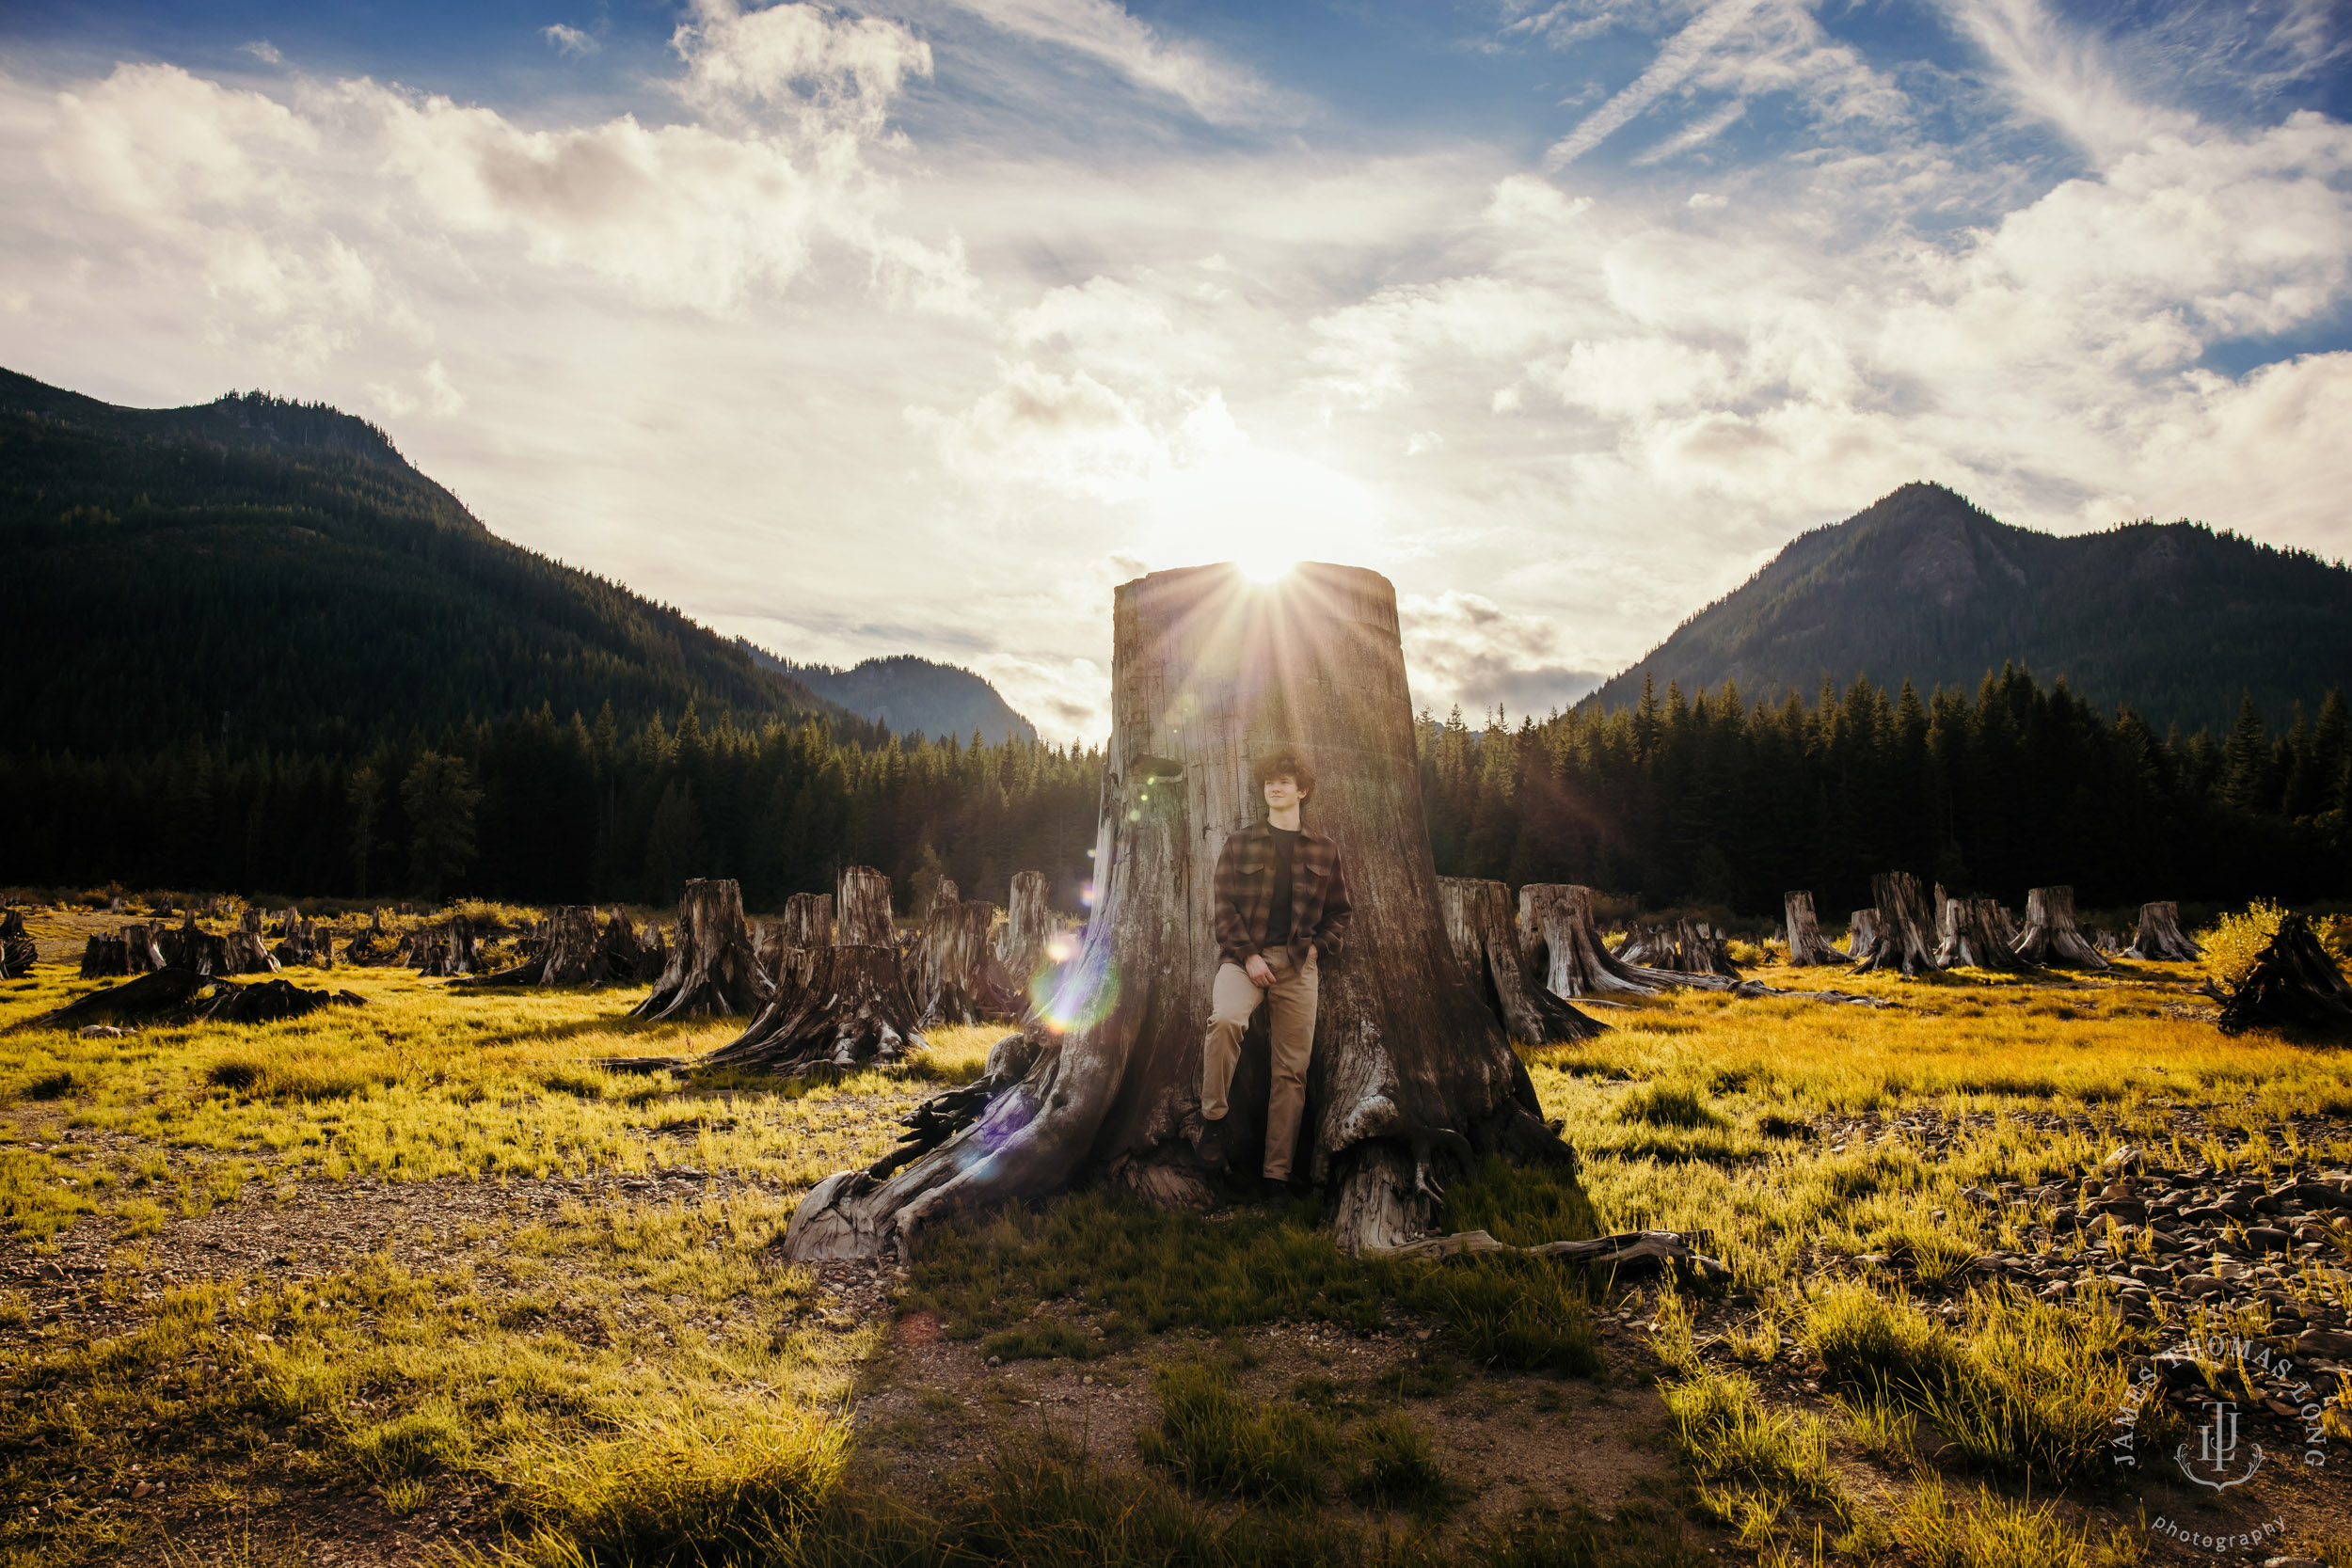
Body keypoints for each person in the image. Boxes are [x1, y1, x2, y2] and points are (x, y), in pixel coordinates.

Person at [1198, 746, 1352, 1192]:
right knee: (1225, 1020)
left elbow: (1341, 913)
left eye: (1285, 780)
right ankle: (1213, 1119)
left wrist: (1320, 949)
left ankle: (1276, 1175)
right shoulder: (1239, 843)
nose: (1276, 786)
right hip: (1243, 960)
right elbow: (1223, 909)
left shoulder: (1325, 850)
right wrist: (1248, 955)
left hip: (1300, 964)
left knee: (1292, 1069)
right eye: (1269, 780)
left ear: (1302, 790)